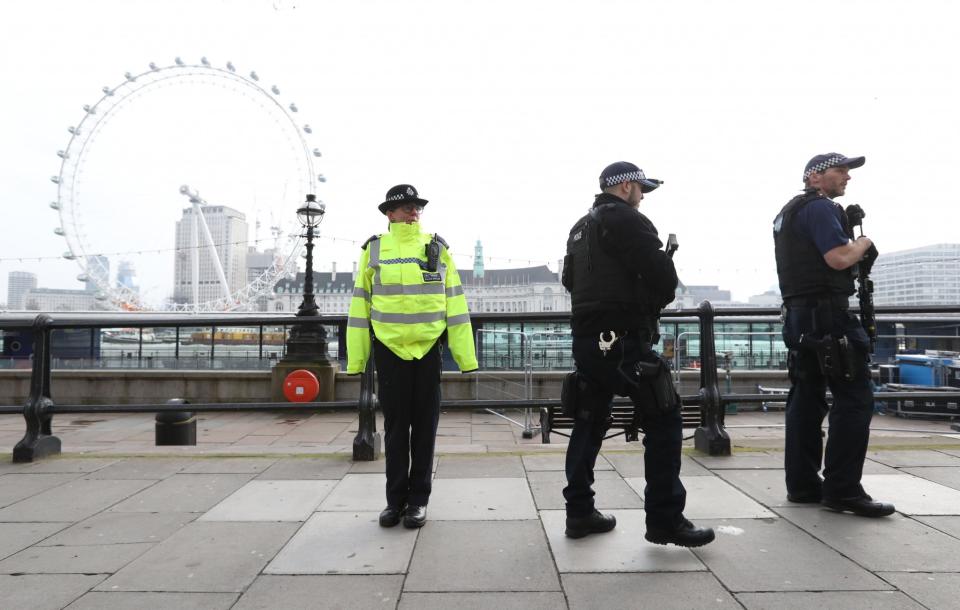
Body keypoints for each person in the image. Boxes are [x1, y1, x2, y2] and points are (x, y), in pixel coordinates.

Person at [560, 161, 714, 547]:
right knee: (664, 417)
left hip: (588, 340)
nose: (643, 196)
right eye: (641, 189)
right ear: (626, 186)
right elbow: (664, 279)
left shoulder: (579, 228)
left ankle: (579, 513)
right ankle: (665, 519)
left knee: (588, 421)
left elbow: (569, 280)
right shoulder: (628, 220)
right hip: (626, 340)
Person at [347, 184, 478, 529]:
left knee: (425, 430)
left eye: (416, 206)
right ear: (389, 213)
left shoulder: (436, 247)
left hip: (427, 351)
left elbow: (456, 303)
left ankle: (418, 501)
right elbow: (359, 306)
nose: (413, 211)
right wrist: (356, 359)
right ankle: (395, 502)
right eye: (405, 207)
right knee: (393, 430)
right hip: (389, 352)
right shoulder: (373, 250)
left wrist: (465, 356)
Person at [773, 153, 893, 517]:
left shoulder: (788, 212)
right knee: (855, 398)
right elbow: (839, 259)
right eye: (841, 171)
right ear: (815, 177)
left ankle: (804, 485)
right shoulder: (821, 208)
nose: (847, 178)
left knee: (807, 399)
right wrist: (864, 243)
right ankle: (843, 490)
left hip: (799, 317)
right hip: (829, 316)